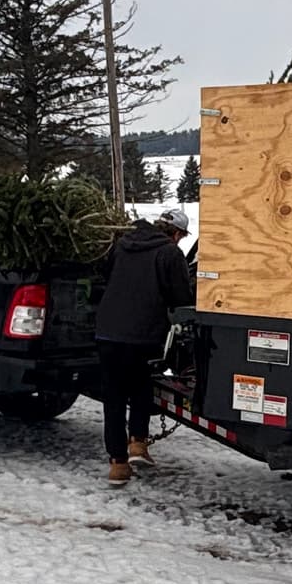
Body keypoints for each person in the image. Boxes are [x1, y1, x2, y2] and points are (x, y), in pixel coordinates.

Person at [94, 207, 193, 486]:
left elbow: (106, 276)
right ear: (176, 233)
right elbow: (181, 297)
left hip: (108, 331)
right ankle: (137, 443)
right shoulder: (170, 253)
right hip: (143, 334)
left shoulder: (122, 243)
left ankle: (118, 465)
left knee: (113, 398)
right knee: (141, 386)